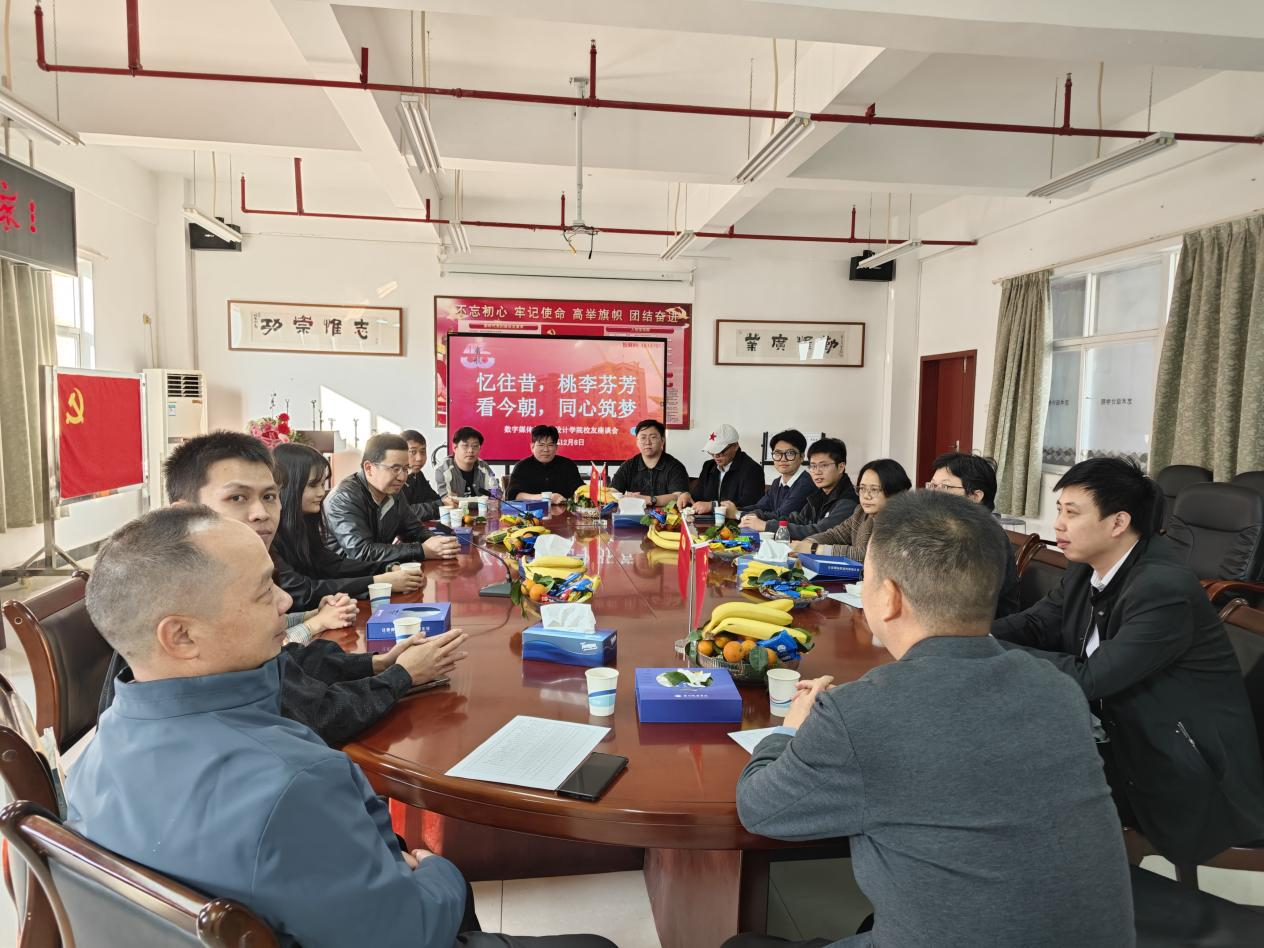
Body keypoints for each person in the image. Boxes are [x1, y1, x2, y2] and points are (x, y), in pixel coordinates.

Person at [69, 506, 616, 948]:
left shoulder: (101, 748)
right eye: (263, 592)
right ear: (182, 636)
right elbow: (409, 934)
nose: (287, 601)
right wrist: (439, 870)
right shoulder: (290, 781)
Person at [726, 492, 1134, 948]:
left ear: (889, 598)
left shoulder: (857, 714)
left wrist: (790, 728)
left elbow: (759, 809)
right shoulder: (1059, 690)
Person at [99, 430, 465, 747]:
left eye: (270, 496)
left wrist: (376, 663)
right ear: (184, 511)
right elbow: (312, 713)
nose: (261, 513)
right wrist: (399, 676)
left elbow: (285, 664)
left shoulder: (245, 564)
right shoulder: (189, 596)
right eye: (238, 498)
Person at [992, 457, 1264, 865]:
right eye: (1059, 510)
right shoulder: (1086, 568)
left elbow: (1092, 679)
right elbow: (1034, 625)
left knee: (1017, 773)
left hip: (1181, 771)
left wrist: (981, 649)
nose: (1058, 524)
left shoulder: (1163, 588)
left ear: (1118, 522)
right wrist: (961, 633)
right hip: (1124, 733)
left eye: (1071, 513)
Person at [273, 442, 425, 612]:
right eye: (313, 485)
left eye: (322, 484)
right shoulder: (269, 535)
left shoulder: (303, 524)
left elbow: (333, 565)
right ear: (286, 486)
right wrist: (379, 581)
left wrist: (385, 568)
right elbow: (302, 592)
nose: (321, 493)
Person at [325, 433, 462, 562]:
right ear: (369, 468)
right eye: (395, 469)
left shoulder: (393, 492)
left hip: (381, 570)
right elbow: (362, 553)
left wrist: (441, 543)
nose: (402, 477)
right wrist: (422, 550)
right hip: (346, 576)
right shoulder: (344, 498)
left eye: (406, 469)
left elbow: (414, 530)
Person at [926, 452, 1020, 617]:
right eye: (933, 486)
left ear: (975, 496)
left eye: (945, 487)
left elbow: (957, 605)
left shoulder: (986, 540)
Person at [790, 458, 910, 560]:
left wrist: (814, 549)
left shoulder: (905, 522)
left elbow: (867, 556)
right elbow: (835, 535)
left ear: (895, 492)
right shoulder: (861, 513)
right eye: (862, 488)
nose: (866, 496)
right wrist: (807, 542)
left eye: (874, 489)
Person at [740, 438, 857, 540]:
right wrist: (758, 516)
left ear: (841, 467)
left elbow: (820, 532)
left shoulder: (848, 501)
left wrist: (766, 526)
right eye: (813, 466)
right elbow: (797, 519)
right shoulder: (820, 494)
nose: (817, 471)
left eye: (824, 465)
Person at [720, 429, 815, 523]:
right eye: (777, 453)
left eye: (790, 453)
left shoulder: (806, 484)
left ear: (802, 457)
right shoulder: (777, 482)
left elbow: (781, 516)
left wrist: (737, 514)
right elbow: (760, 507)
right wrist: (729, 509)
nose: (783, 459)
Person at [677, 424, 764, 514]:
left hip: (736, 521)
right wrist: (687, 495)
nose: (716, 456)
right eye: (712, 451)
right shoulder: (708, 466)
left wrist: (713, 506)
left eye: (721, 451)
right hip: (708, 520)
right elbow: (698, 497)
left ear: (735, 446)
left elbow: (749, 505)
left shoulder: (753, 470)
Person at [609, 418, 689, 508]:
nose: (647, 442)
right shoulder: (628, 466)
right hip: (634, 514)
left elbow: (679, 496)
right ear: (637, 442)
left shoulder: (675, 467)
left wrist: (649, 500)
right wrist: (621, 496)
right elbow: (613, 491)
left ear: (662, 440)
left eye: (653, 437)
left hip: (666, 515)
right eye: (643, 438)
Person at [506, 425, 583, 504]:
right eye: (541, 445)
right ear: (532, 446)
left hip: (565, 510)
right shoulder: (522, 466)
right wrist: (545, 498)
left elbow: (581, 491)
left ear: (556, 447)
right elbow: (512, 495)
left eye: (550, 445)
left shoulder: (568, 465)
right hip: (531, 511)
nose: (546, 450)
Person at [435, 427, 500, 505]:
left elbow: (497, 496)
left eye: (475, 446)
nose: (470, 450)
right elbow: (448, 502)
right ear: (455, 448)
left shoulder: (483, 466)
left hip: (482, 512)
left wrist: (459, 500)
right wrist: (483, 500)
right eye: (465, 446)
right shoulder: (443, 468)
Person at [402, 428, 442, 521]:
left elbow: (432, 498)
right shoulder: (394, 479)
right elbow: (403, 513)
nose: (419, 458)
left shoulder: (418, 474)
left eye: (423, 452)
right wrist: (441, 504)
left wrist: (446, 501)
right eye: (413, 452)